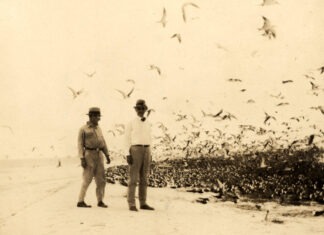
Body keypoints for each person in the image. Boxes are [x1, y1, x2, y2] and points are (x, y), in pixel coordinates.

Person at [77, 107, 111, 208]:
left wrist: (107, 155)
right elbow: (79, 144)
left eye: (98, 116)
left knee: (101, 180)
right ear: (90, 116)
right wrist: (82, 158)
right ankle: (80, 201)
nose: (98, 118)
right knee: (87, 179)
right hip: (89, 155)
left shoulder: (99, 128)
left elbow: (103, 142)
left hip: (99, 155)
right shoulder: (83, 129)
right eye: (95, 116)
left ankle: (100, 201)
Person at [124, 99, 154, 211]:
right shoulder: (131, 122)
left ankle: (143, 202)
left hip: (147, 149)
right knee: (133, 178)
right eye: (138, 109)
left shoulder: (148, 123)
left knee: (144, 178)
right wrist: (127, 154)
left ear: (145, 109)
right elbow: (126, 139)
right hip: (135, 149)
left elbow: (149, 138)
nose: (140, 111)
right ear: (136, 110)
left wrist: (150, 152)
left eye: (143, 108)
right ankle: (131, 203)